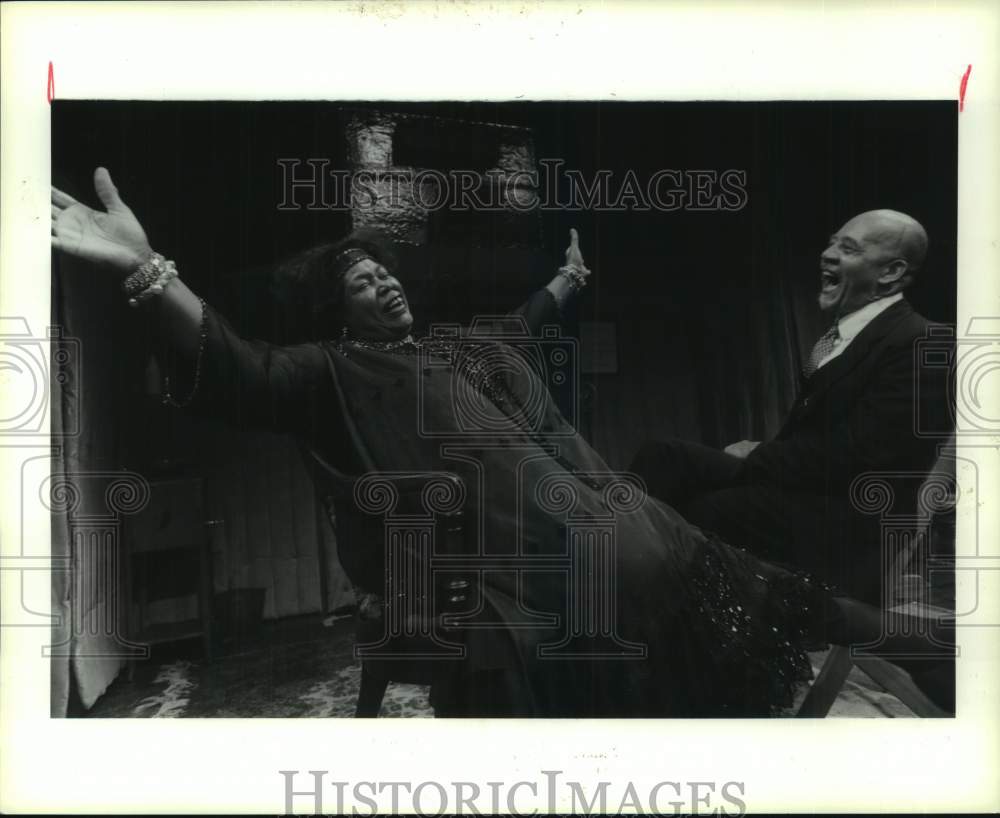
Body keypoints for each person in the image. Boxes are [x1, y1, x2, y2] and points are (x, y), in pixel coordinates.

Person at [52, 172, 946, 716]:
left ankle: (926, 652)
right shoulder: (325, 371)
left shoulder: (451, 349)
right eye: (364, 281)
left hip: (588, 519)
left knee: (729, 572)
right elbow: (238, 371)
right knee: (705, 577)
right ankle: (904, 648)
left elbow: (518, 329)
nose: (386, 283)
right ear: (338, 312)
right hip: (515, 555)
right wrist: (147, 271)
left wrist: (563, 281)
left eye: (387, 270)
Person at [629, 210, 953, 606]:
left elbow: (862, 453)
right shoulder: (842, 338)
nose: (827, 254)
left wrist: (759, 454)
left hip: (847, 524)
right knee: (664, 457)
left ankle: (630, 606)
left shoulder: (924, 341)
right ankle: (616, 583)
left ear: (890, 272)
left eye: (847, 248)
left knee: (701, 512)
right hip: (805, 495)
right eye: (832, 241)